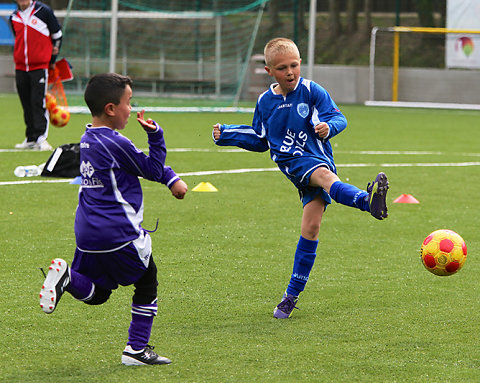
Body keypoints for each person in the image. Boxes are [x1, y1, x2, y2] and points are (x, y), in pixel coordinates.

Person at [212, 38, 389, 319]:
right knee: (321, 188)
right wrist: (228, 134)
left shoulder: (311, 90)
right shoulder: (265, 102)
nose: (290, 72)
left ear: (300, 63)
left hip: (316, 157)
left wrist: (328, 127)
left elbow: (339, 117)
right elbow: (260, 139)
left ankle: (290, 296)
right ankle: (367, 202)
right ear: (270, 71)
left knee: (312, 228)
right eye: (282, 68)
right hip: (292, 164)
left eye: (294, 65)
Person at [39, 73, 188, 365]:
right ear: (110, 108)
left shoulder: (88, 138)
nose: (130, 109)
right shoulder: (114, 141)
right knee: (148, 281)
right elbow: (152, 169)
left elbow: (135, 167)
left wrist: (173, 180)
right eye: (128, 103)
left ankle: (68, 278)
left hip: (87, 232)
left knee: (99, 293)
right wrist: (156, 135)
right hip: (117, 233)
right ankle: (135, 349)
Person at [9, 0, 62, 151]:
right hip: (20, 67)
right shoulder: (14, 17)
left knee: (37, 101)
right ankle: (31, 137)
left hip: (39, 67)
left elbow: (57, 35)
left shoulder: (44, 12)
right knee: (26, 103)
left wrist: (52, 60)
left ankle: (41, 138)